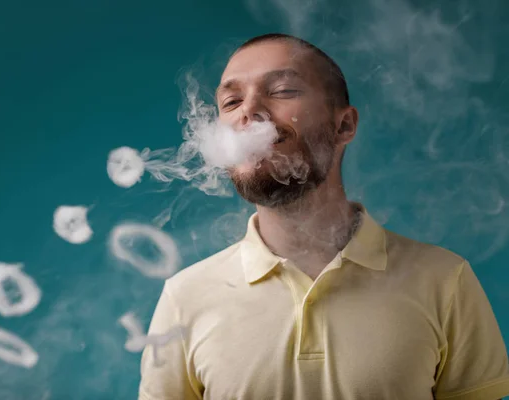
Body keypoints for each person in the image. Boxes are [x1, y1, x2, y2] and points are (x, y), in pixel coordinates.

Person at [138, 33, 509, 400]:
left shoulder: (445, 281)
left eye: (283, 91)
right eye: (231, 101)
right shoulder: (184, 298)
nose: (248, 112)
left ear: (343, 126)